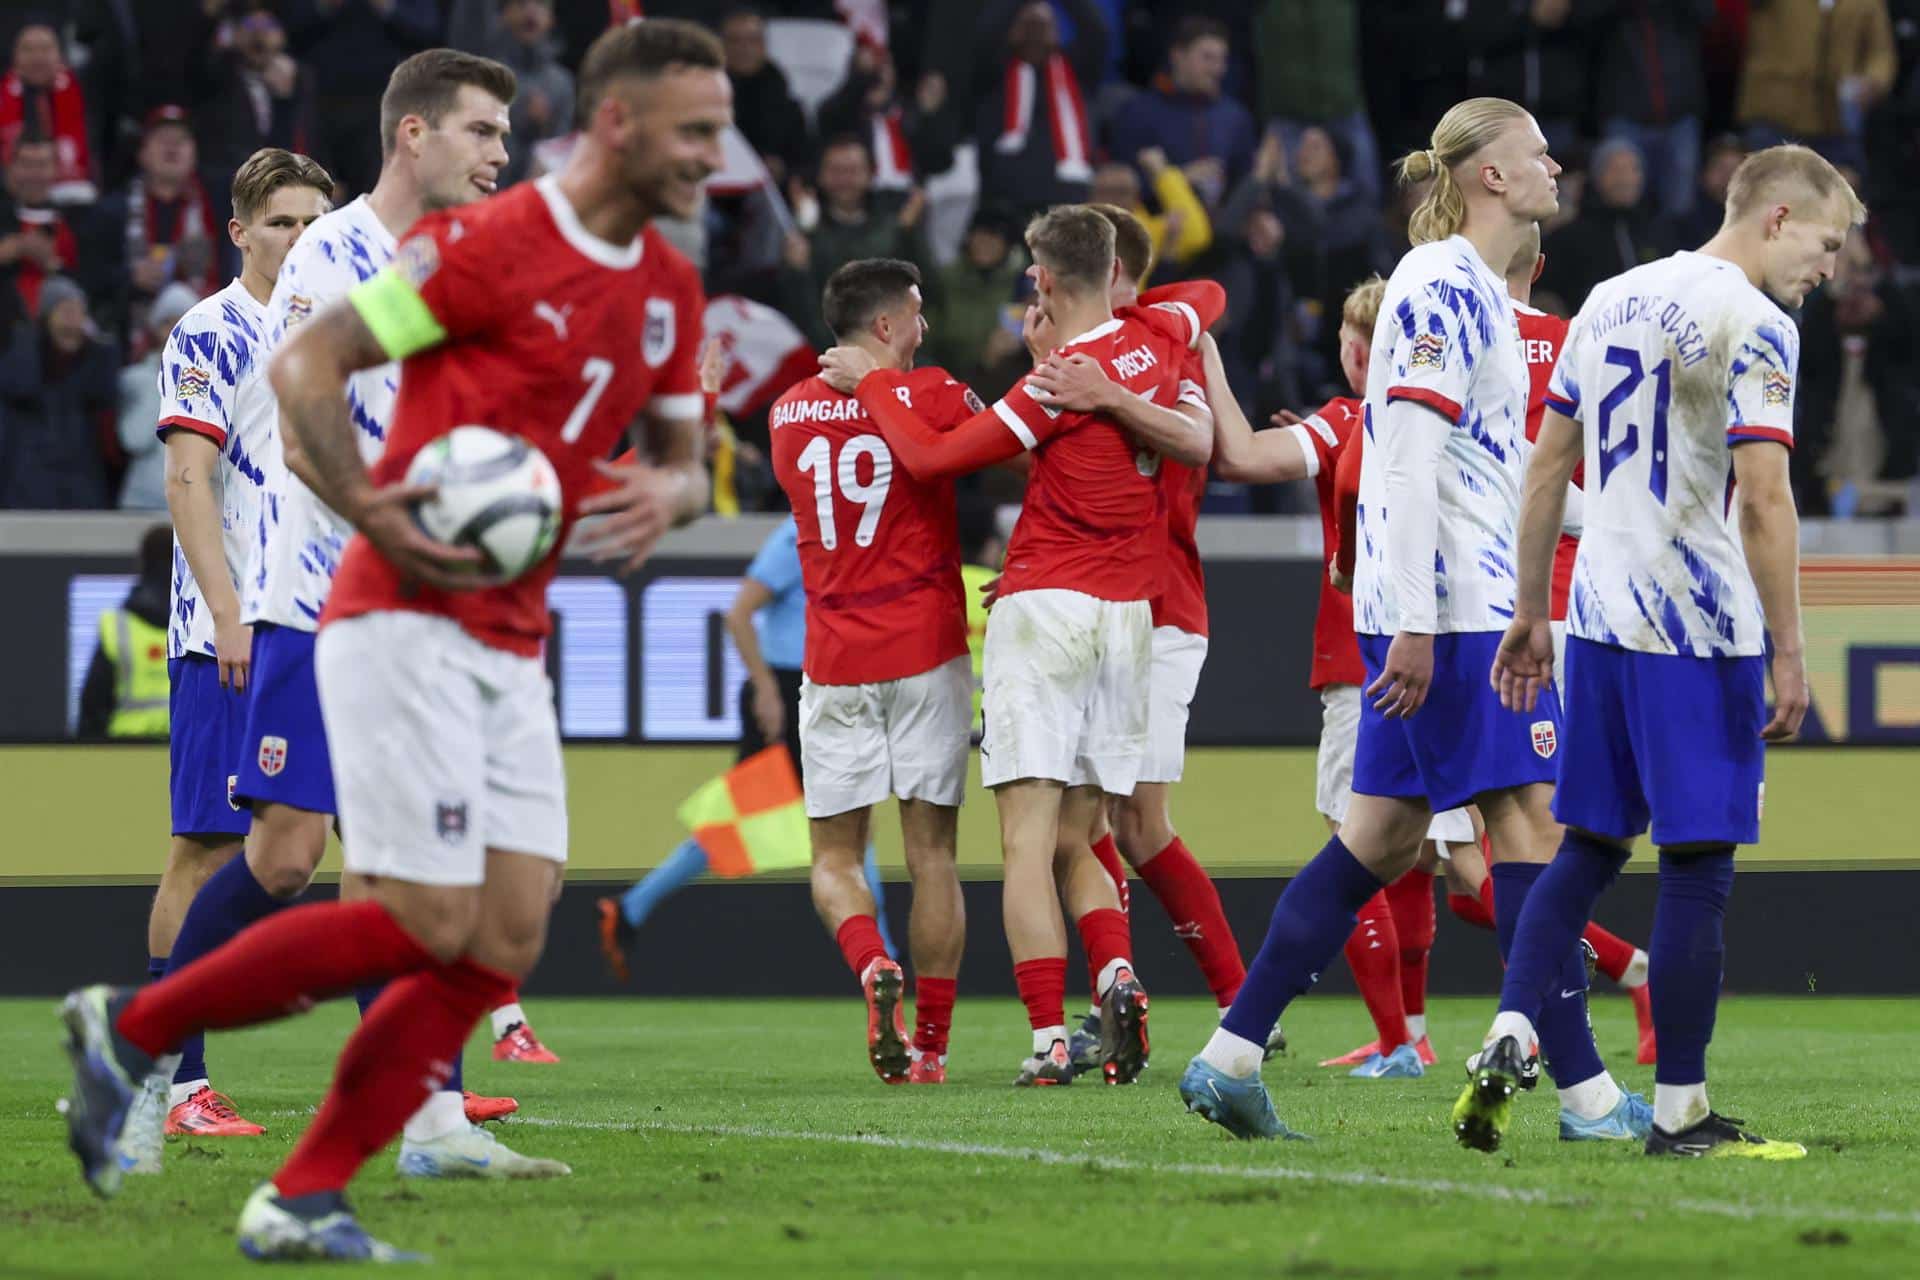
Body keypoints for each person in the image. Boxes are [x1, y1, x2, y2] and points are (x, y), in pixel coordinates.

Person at [59, 20, 725, 1258]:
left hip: (505, 620)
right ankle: (158, 1045)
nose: (715, 153)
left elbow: (685, 462)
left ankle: (364, 1106)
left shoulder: (664, 287)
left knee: (500, 921)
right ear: (625, 126)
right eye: (695, 130)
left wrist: (662, 497)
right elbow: (311, 374)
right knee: (326, 868)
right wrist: (382, 514)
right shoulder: (460, 252)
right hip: (360, 598)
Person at [1177, 98, 1644, 1148]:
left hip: (1445, 598)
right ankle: (1587, 1097)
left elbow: (1488, 471)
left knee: (1379, 839)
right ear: (1489, 177)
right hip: (1458, 609)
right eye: (1536, 150)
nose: (1557, 162)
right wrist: (1420, 620)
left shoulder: (1469, 287)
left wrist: (1616, 509)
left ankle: (1231, 1055)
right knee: (1536, 828)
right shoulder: (1438, 282)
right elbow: (1405, 459)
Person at [117, 50, 530, 1185]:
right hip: (315, 599)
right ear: (415, 134)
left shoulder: (445, 255)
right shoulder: (331, 256)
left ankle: (430, 1114)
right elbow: (302, 429)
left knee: (406, 864)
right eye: (484, 133)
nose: (503, 155)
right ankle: (148, 1054)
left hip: (411, 604)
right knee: (282, 857)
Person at [1466, 144, 1860, 1160]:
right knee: (1697, 868)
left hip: (1596, 615)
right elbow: (1765, 499)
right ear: (1776, 217)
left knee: (1588, 845)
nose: (1833, 267)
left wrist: (1528, 608)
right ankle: (1681, 1109)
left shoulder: (1609, 296)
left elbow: (1548, 461)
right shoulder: (1755, 321)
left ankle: (1513, 1023)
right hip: (1698, 625)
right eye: (1828, 242)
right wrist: (1790, 649)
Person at [820, 205, 1214, 1087]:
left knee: (1027, 844)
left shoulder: (1057, 382)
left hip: (1047, 614)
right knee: (1086, 836)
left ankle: (1045, 1038)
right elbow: (1204, 314)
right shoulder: (1159, 342)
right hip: (1128, 620)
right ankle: (1116, 975)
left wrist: (874, 382)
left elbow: (930, 461)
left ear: (1044, 281)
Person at [1011, 205, 1260, 1072]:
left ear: (1114, 276)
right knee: (1091, 819)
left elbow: (1204, 298)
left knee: (1137, 821)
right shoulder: (1119, 347)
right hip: (1105, 604)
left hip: (1160, 605)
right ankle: (1110, 992)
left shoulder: (1159, 340)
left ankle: (1242, 1003)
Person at [1210, 272, 1470, 1080]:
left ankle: (1393, 1042)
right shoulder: (1453, 417)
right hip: (1462, 645)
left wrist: (1206, 357)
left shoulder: (1349, 419)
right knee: (1439, 861)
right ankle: (1416, 1034)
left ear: (1359, 351)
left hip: (1372, 661)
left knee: (1359, 849)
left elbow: (1240, 456)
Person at [137, 150, 333, 1149]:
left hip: (320, 624)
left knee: (327, 854)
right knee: (208, 847)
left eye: (314, 221)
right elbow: (187, 479)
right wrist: (224, 610)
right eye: (283, 222)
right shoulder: (211, 329)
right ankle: (176, 1076)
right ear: (241, 232)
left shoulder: (343, 331)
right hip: (235, 630)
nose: (300, 239)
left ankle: (424, 1086)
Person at [770, 258, 979, 1085]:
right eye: (917, 314)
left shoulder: (788, 411)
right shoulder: (929, 394)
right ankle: (930, 1044)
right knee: (932, 856)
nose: (925, 330)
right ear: (886, 326)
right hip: (926, 647)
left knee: (834, 859)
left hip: (837, 656)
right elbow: (970, 451)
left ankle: (869, 965)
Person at [596, 514, 896, 982]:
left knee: (762, 820)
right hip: (789, 690)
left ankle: (631, 908)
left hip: (820, 686)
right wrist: (766, 690)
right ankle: (885, 953)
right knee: (848, 817)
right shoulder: (797, 534)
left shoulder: (849, 534)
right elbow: (738, 614)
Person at [77, 524, 175, 741]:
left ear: (142, 563)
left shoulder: (117, 627)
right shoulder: (205, 628)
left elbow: (92, 706)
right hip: (183, 749)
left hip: (123, 753)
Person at [116, 283, 201, 510]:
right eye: (167, 322)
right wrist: (163, 382)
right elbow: (134, 439)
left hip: (194, 504)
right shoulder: (135, 379)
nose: (174, 329)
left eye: (183, 321)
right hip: (142, 501)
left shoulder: (215, 381)